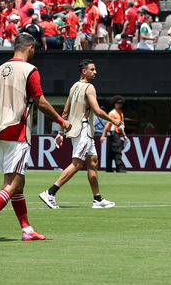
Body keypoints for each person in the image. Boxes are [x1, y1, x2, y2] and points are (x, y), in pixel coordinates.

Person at [0, 32, 72, 243]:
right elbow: (41, 102)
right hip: (18, 131)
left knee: (18, 182)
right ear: (31, 48)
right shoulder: (30, 70)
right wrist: (61, 121)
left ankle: (27, 229)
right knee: (13, 183)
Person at [39, 59, 122, 210]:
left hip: (77, 129)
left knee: (93, 161)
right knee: (77, 164)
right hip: (84, 130)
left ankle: (97, 199)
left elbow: (65, 112)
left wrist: (60, 132)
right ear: (84, 71)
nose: (95, 72)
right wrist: (113, 120)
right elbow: (97, 110)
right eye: (92, 69)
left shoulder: (74, 87)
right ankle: (50, 193)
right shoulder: (89, 87)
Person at [101, 96, 127, 172]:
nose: (120, 104)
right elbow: (107, 124)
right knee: (117, 150)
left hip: (117, 133)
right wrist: (103, 136)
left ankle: (108, 168)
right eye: (118, 103)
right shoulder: (112, 113)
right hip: (113, 133)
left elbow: (121, 126)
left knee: (112, 152)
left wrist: (124, 135)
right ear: (114, 104)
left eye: (121, 103)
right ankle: (119, 168)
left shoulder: (120, 113)